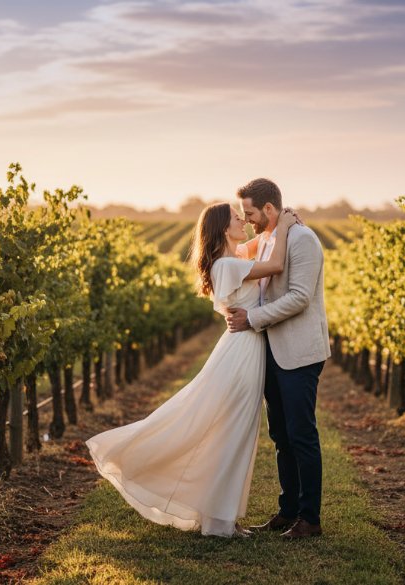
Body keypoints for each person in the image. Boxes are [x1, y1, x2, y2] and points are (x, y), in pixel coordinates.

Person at [86, 200, 297, 537]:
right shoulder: (227, 265)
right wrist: (284, 227)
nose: (242, 219)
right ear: (222, 228)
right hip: (242, 354)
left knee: (234, 436)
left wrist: (273, 222)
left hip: (245, 349)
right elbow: (276, 263)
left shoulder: (232, 258)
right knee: (232, 435)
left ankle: (219, 519)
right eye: (235, 217)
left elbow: (257, 245)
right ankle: (218, 522)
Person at [226, 178, 330, 539]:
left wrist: (251, 319)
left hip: (299, 352)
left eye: (250, 212)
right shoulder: (274, 235)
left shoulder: (302, 240)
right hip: (274, 350)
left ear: (269, 209)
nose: (248, 219)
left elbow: (300, 297)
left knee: (301, 435)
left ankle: (310, 519)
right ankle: (288, 511)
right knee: (282, 435)